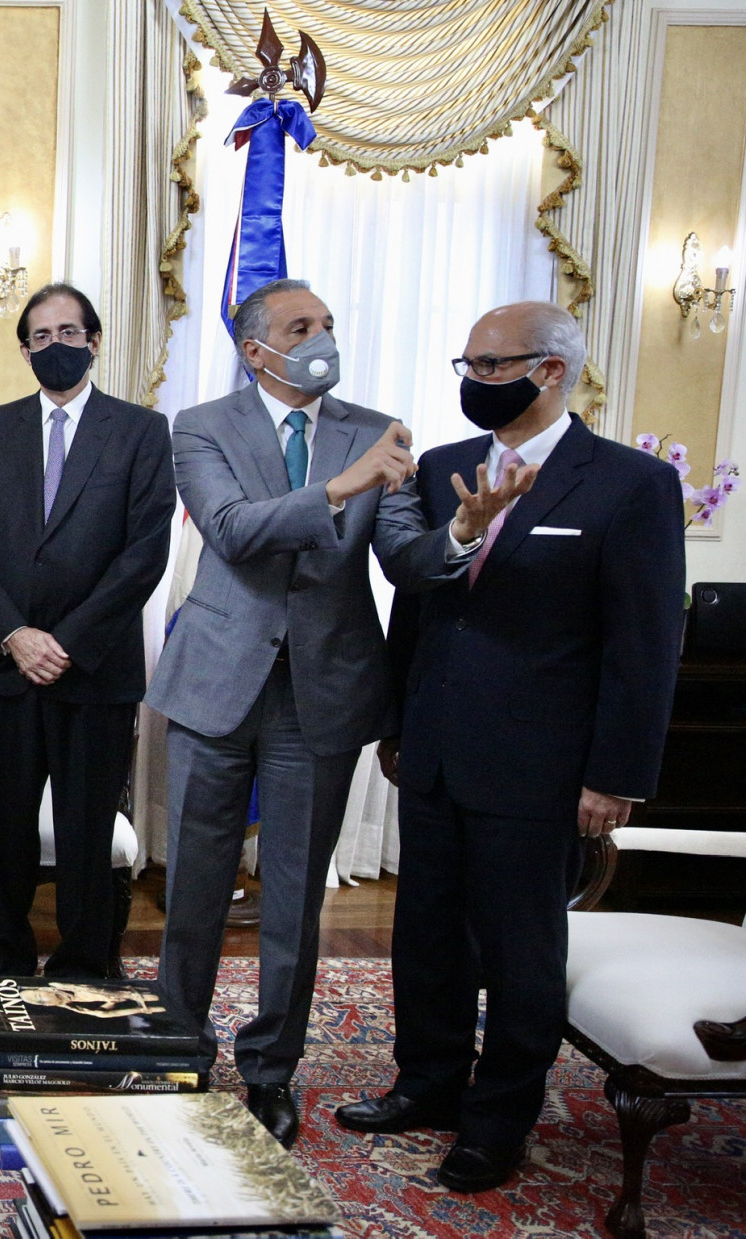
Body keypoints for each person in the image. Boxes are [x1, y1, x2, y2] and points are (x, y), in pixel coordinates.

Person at [146, 279, 533, 1148]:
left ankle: (270, 1069)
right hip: (216, 682)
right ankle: (179, 1051)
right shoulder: (202, 425)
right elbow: (233, 529)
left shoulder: (376, 428)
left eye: (327, 323)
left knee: (294, 898)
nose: (322, 337)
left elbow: (401, 556)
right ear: (257, 351)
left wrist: (461, 534)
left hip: (322, 691)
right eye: (301, 327)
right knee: (195, 888)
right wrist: (339, 487)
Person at [335, 301, 685, 1192]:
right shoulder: (445, 467)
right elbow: (415, 602)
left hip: (542, 765)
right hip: (435, 746)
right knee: (427, 933)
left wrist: (616, 775)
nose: (475, 381)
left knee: (521, 951)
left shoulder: (630, 483)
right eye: (468, 365)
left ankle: (499, 1122)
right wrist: (397, 726)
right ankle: (428, 1083)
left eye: (492, 366)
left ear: (552, 370)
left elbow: (644, 646)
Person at [0, 283, 175, 983]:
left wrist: (65, 642)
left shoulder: (140, 431)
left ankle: (82, 972)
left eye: (68, 332)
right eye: (40, 336)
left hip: (95, 672)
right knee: (10, 832)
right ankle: (10, 967)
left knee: (86, 834)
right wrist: (16, 635)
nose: (55, 346)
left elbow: (144, 553)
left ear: (94, 341)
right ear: (25, 351)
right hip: (8, 672)